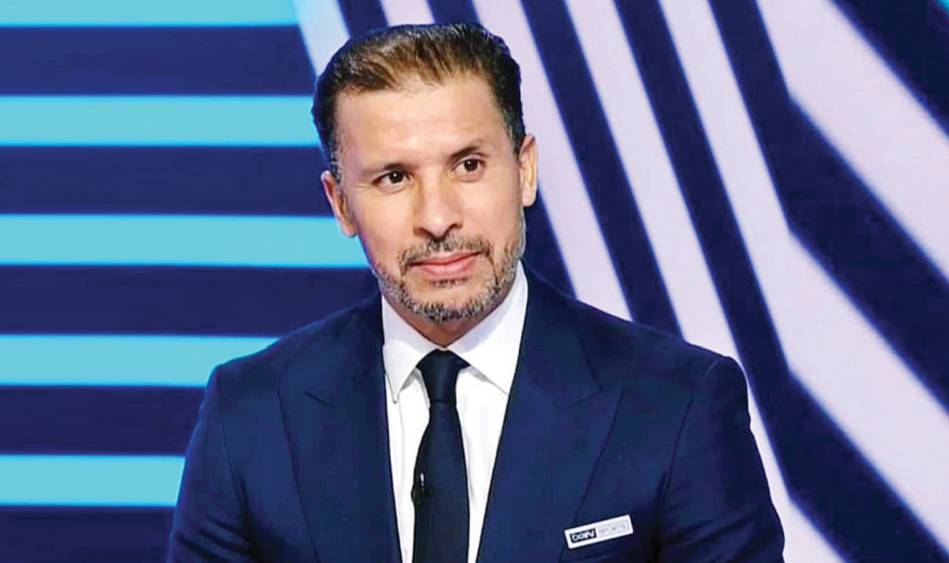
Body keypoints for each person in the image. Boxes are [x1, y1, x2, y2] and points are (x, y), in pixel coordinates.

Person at [168, 22, 783, 563]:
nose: (438, 218)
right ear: (341, 204)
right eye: (394, 177)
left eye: (468, 165)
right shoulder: (250, 415)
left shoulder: (677, 405)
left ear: (525, 169)